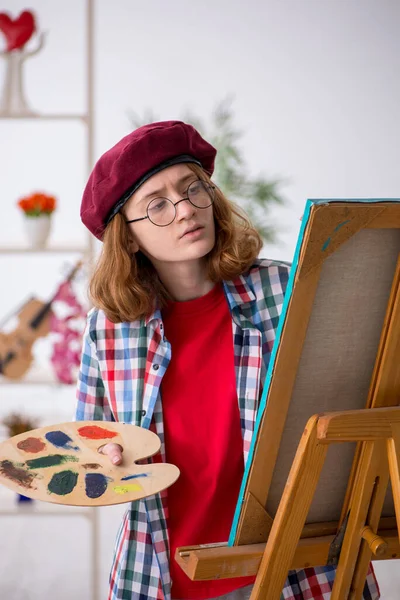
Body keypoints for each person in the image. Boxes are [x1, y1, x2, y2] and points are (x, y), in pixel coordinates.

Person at [76, 121, 379, 600]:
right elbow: (89, 441)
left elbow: (358, 401)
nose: (184, 211)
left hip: (296, 572)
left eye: (192, 188)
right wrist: (105, 460)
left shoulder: (287, 292)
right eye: (156, 204)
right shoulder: (107, 329)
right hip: (162, 577)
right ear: (128, 238)